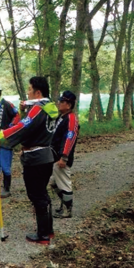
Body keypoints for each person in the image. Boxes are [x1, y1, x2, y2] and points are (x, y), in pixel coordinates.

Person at [0, 77, 58, 245]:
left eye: (30, 89)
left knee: (36, 195)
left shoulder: (38, 109)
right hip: (46, 156)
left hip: (36, 157)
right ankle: (48, 230)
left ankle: (43, 235)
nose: (27, 92)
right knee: (42, 193)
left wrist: (0, 134)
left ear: (38, 92)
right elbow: (33, 126)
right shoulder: (50, 108)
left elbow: (23, 127)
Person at [50, 91, 79, 219]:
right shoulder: (61, 117)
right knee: (54, 183)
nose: (59, 103)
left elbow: (69, 138)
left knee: (64, 183)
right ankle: (64, 204)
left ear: (68, 105)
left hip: (62, 158)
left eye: (62, 102)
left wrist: (64, 157)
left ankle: (68, 209)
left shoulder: (71, 119)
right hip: (55, 156)